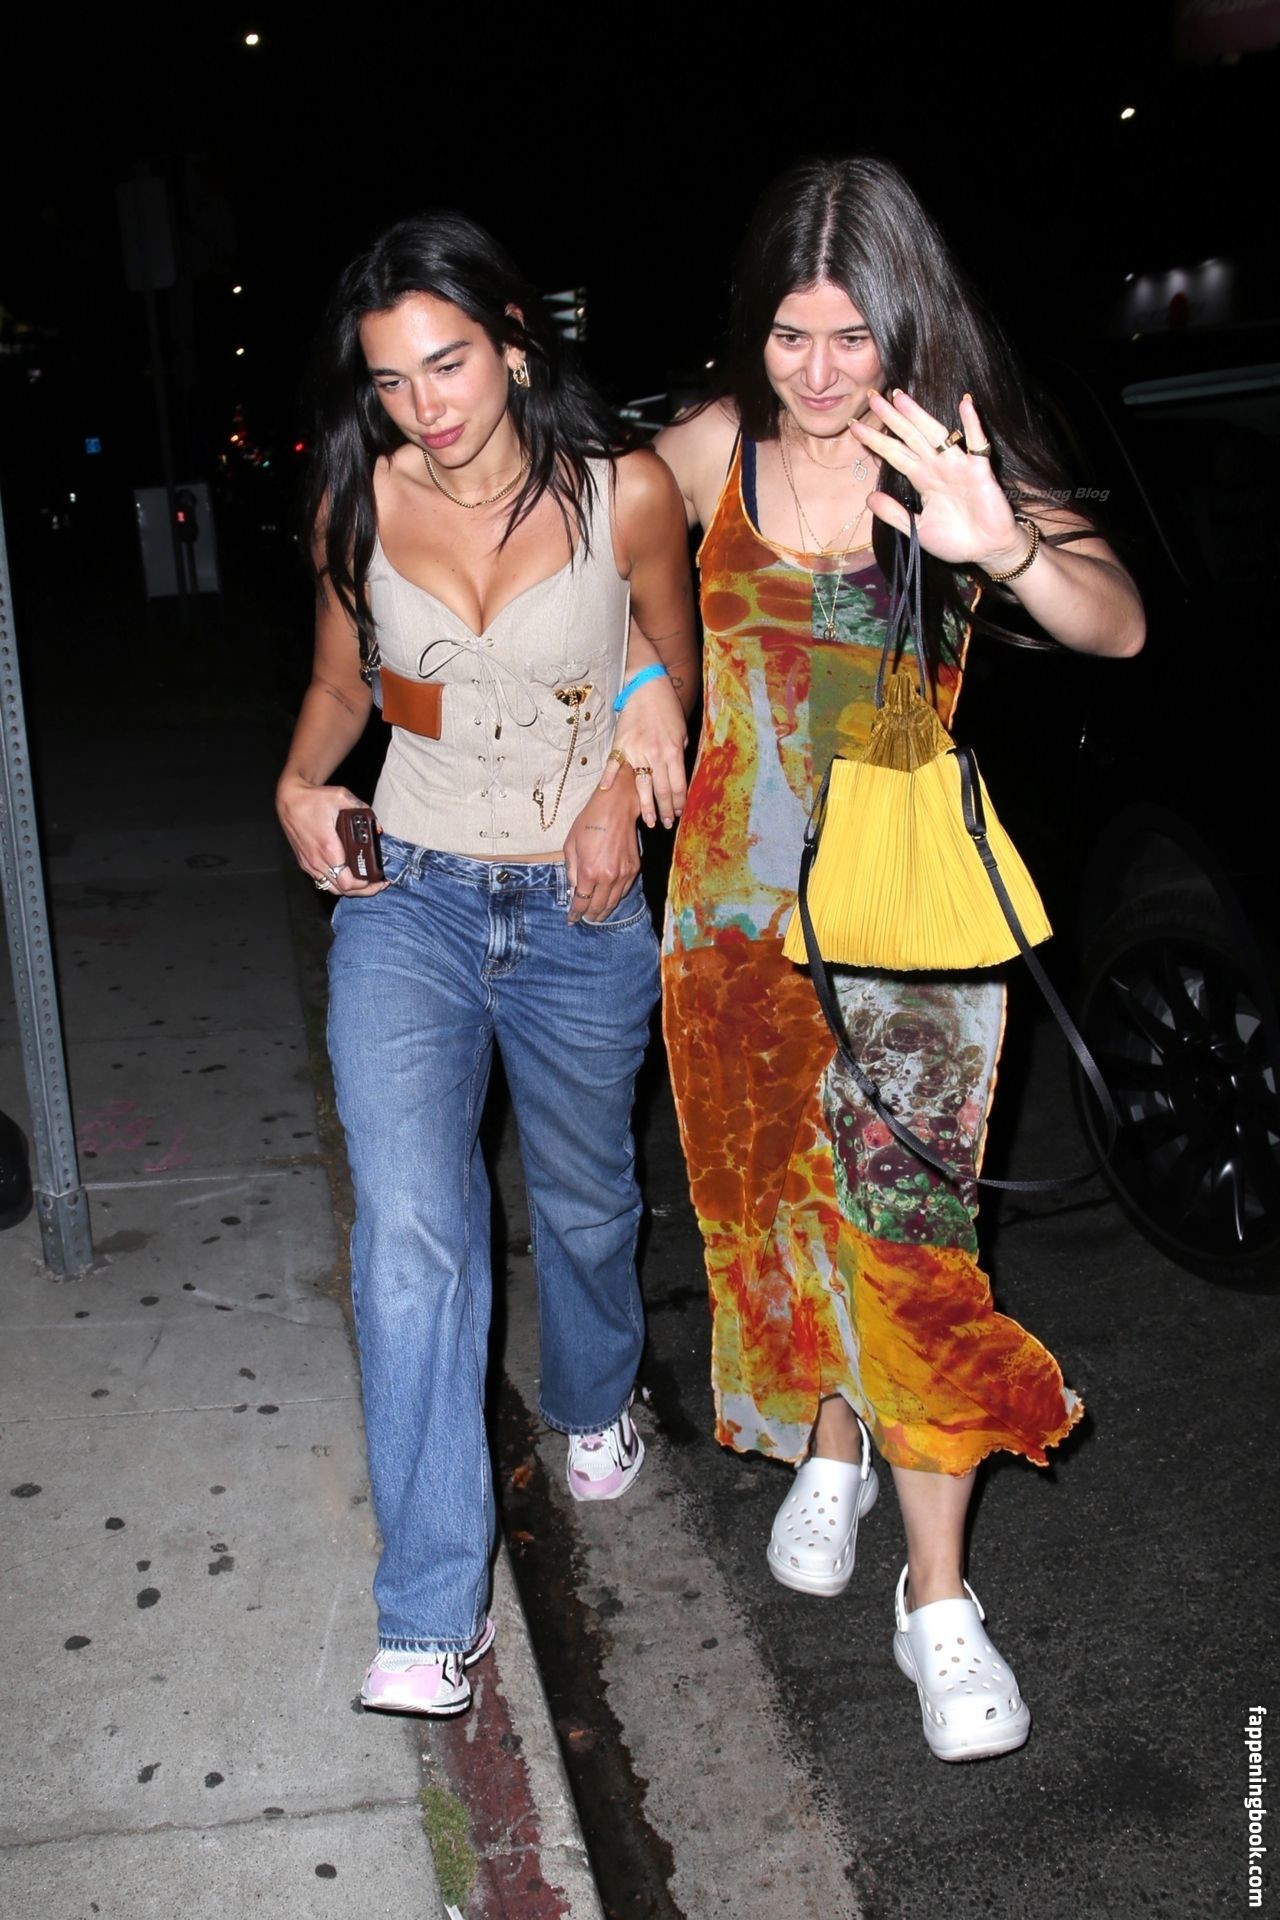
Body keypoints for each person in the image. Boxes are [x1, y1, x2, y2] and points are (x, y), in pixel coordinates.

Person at [651, 156, 1143, 1762]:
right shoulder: (712, 450)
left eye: (851, 337)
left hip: (904, 910)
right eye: (788, 336)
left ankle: (937, 1605)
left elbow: (1116, 620)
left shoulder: (947, 450)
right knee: (784, 1211)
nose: (816, 373)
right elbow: (578, 560)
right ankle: (836, 1442)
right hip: (732, 917)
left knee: (917, 1241)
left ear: (906, 325)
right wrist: (635, 698)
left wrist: (1002, 546)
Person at [276, 212, 696, 1718]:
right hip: (415, 898)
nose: (424, 404)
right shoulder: (356, 499)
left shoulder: (624, 491)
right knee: (412, 1229)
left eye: (447, 363)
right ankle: (428, 1614)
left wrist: (622, 783)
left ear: (515, 345)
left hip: (581, 904)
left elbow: (677, 664)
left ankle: (593, 1397)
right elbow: (347, 686)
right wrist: (298, 782)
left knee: (585, 1202)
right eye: (391, 379)